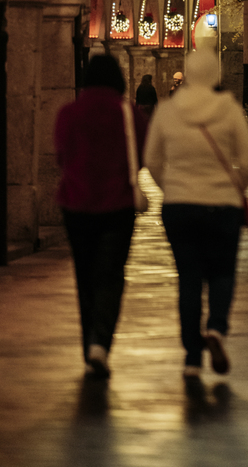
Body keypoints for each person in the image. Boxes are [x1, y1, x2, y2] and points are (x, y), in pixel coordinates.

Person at [144, 47, 248, 381]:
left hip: (179, 207)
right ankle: (217, 330)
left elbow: (151, 160)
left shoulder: (167, 111)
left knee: (189, 280)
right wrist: (234, 185)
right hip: (222, 206)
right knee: (222, 273)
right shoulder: (228, 109)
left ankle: (192, 357)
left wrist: (171, 188)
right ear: (216, 75)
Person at [54, 54, 148, 378]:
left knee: (85, 276)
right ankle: (100, 344)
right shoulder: (129, 113)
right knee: (111, 275)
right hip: (117, 205)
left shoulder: (69, 112)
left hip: (76, 205)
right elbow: (144, 154)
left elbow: (61, 155)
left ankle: (88, 344)